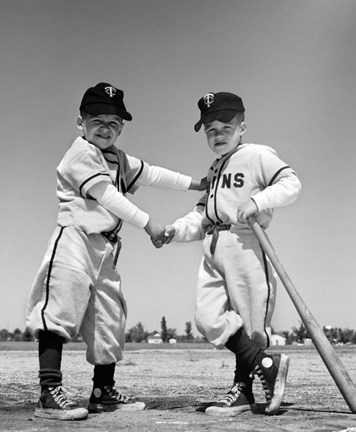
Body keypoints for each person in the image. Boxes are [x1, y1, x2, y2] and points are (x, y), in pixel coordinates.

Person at [26, 82, 207, 421]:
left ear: (121, 126)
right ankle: (48, 392)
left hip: (106, 248)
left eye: (113, 122)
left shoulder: (117, 157)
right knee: (58, 310)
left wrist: (197, 183)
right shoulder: (80, 153)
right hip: (75, 240)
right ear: (80, 122)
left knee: (109, 317)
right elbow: (107, 194)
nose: (105, 128)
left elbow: (152, 173)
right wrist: (149, 223)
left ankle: (102, 392)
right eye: (97, 120)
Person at [155, 91, 302, 416]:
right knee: (207, 318)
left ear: (242, 126)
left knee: (252, 325)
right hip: (214, 244)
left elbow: (291, 183)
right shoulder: (215, 167)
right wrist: (175, 231)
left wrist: (257, 201)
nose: (218, 134)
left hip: (246, 243)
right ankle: (266, 366)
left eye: (226, 126)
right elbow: (201, 216)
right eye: (210, 129)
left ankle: (243, 391)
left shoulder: (257, 154)